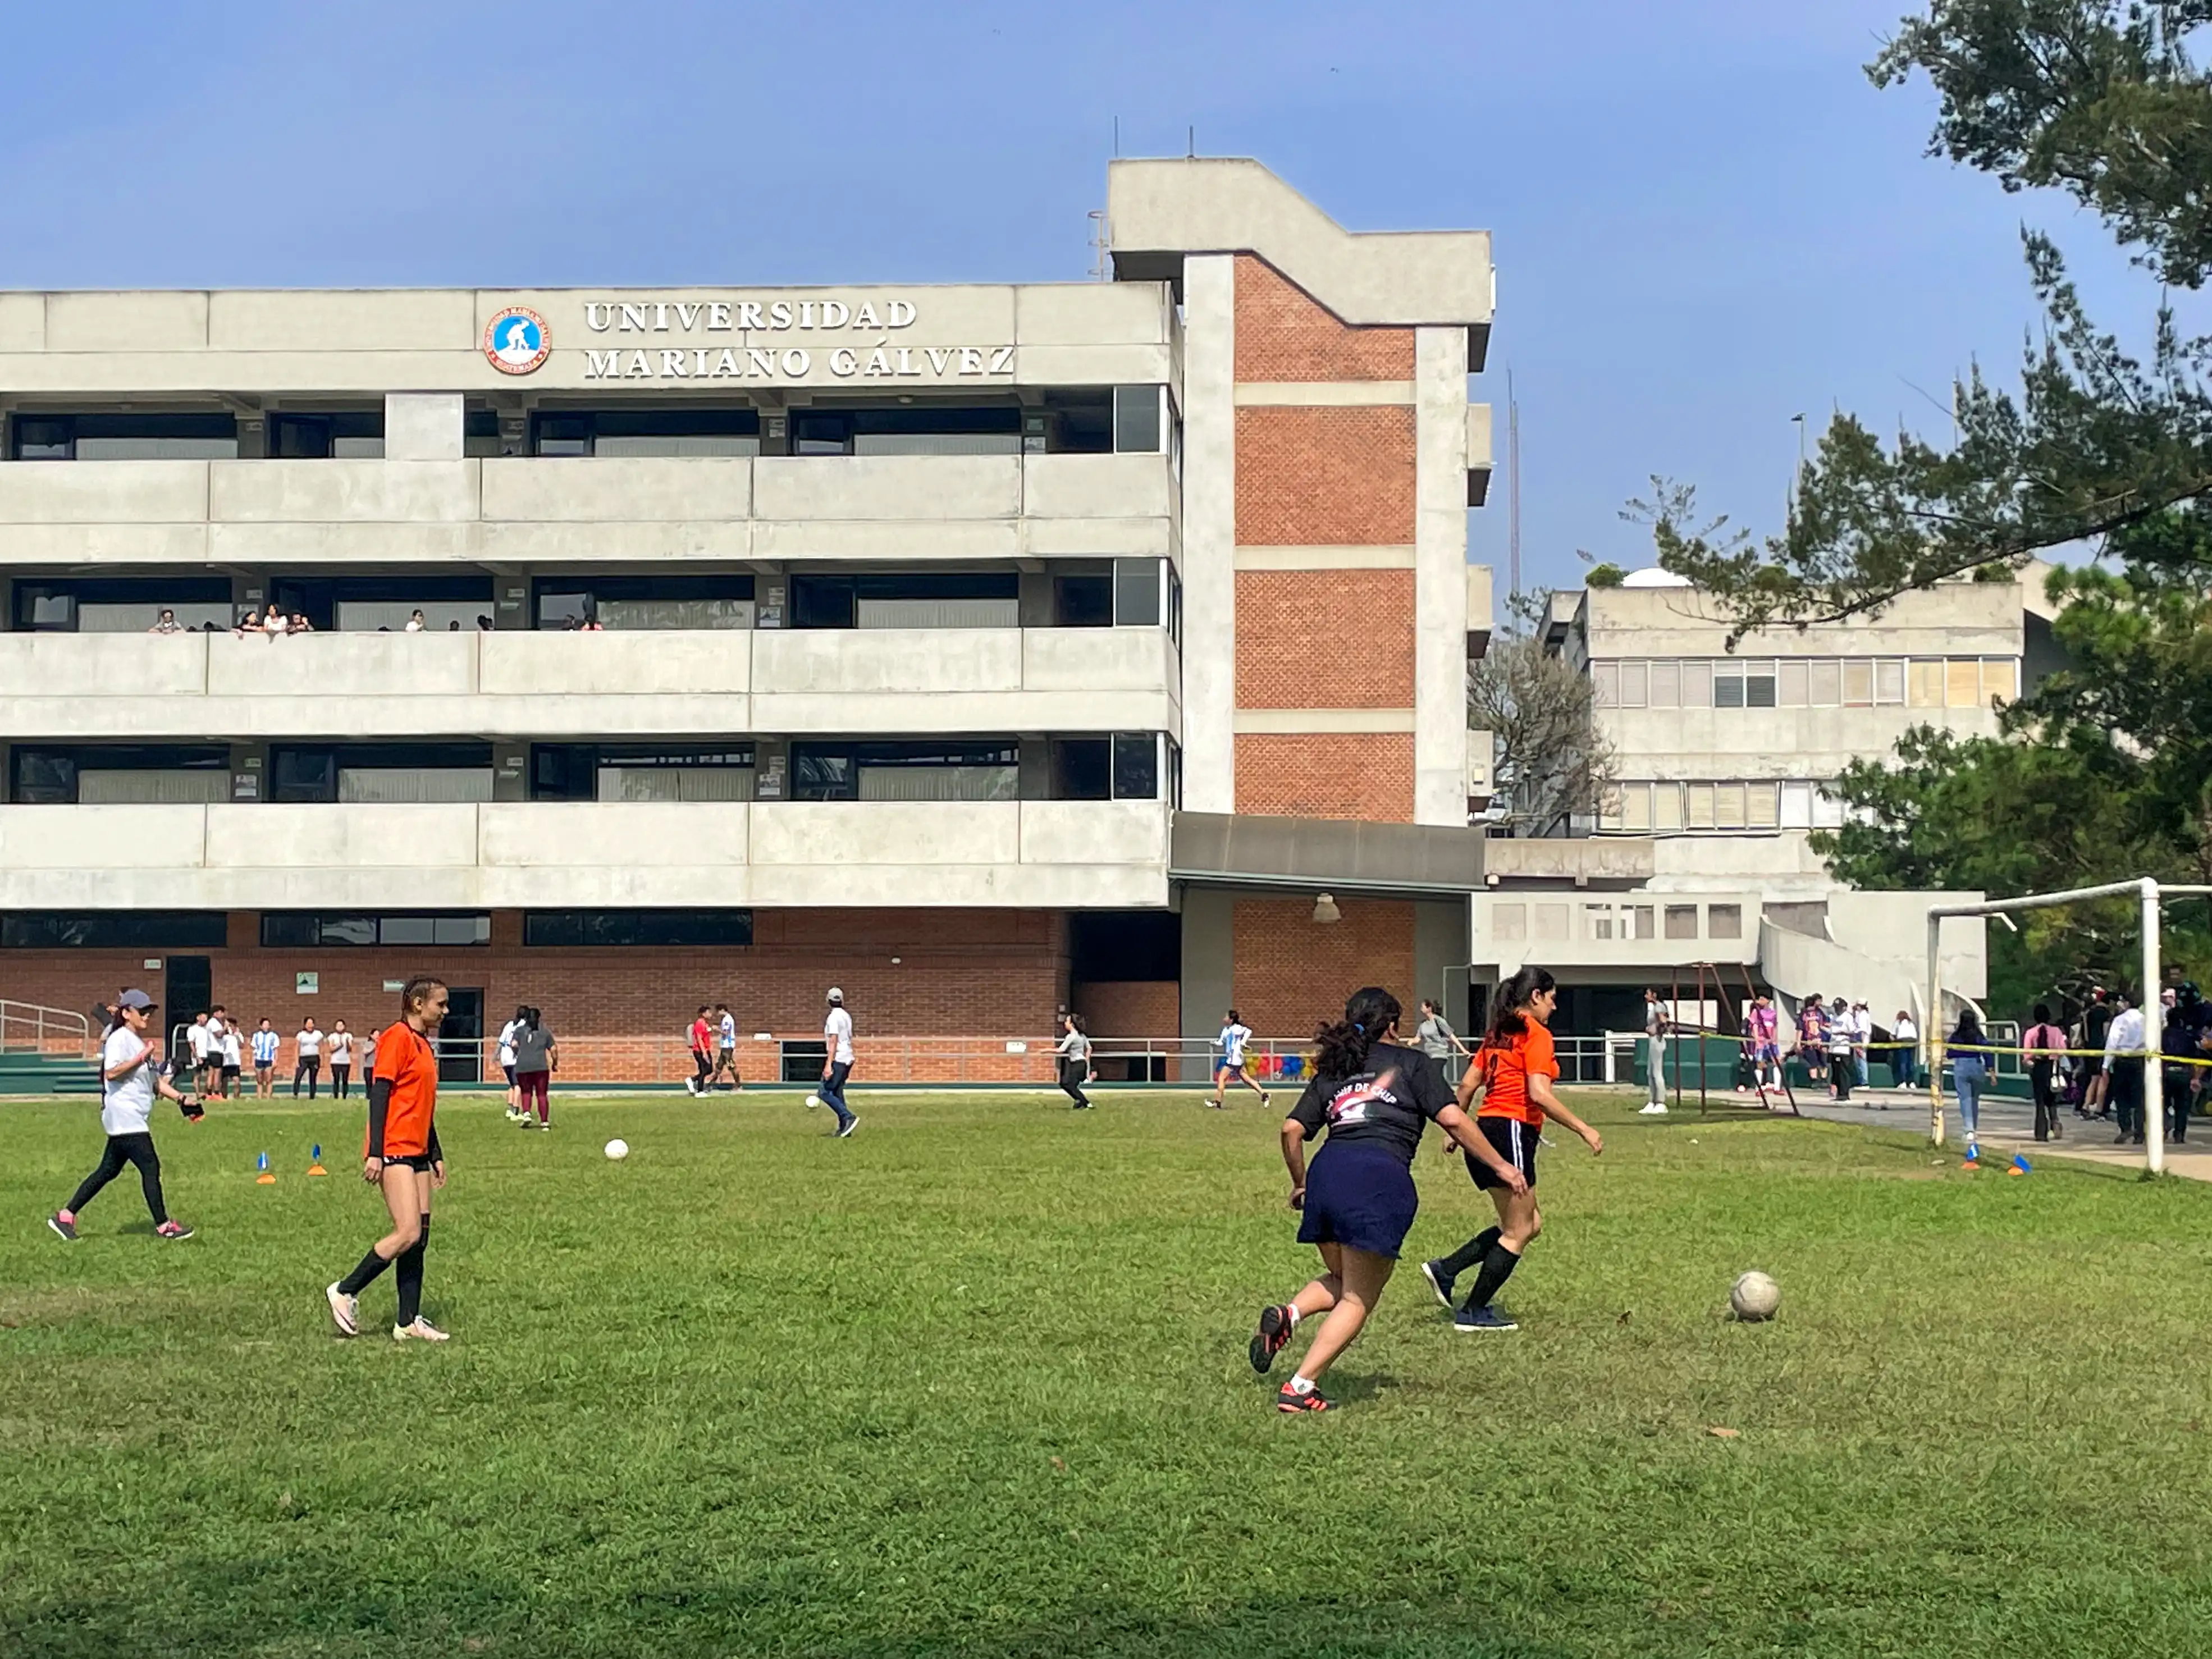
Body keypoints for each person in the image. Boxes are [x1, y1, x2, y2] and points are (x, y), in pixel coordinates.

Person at [1247, 985, 1524, 1413]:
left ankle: (1290, 1314)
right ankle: (1300, 1387)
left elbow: (1290, 1130)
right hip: (1378, 1180)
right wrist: (1502, 1166)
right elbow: (1452, 1119)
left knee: (1344, 1281)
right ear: (1393, 1025)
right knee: (1360, 1297)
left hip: (1326, 1175)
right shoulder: (1414, 1063)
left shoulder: (1336, 1067)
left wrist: (1301, 1183)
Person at [1420, 965, 1603, 1333]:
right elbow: (1538, 1094)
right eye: (1552, 999)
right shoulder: (1536, 1034)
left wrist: (1457, 1131)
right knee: (1518, 1230)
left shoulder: (1498, 1034)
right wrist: (1584, 1128)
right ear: (1536, 996)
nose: (1553, 1008)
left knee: (1528, 1224)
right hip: (1511, 1131)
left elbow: (1469, 1084)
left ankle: (1447, 1268)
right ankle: (1472, 1310)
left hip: (1485, 1132)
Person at [326, 976, 451, 1343]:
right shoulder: (396, 1038)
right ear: (417, 1004)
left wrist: (436, 1152)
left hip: (418, 1150)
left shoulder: (423, 1043)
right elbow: (379, 1093)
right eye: (440, 1004)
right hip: (394, 1146)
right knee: (407, 1231)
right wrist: (376, 1152)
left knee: (420, 1237)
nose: (445, 1011)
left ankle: (408, 1320)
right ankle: (345, 1289)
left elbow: (421, 1104)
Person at [48, 990, 199, 1242]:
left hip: (129, 1117)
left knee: (107, 1171)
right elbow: (111, 1073)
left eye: (149, 1012)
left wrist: (182, 1100)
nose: (147, 1016)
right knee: (150, 1167)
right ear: (127, 1013)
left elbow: (155, 1083)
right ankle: (164, 1226)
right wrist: (140, 1058)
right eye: (142, 1012)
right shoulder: (120, 1039)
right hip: (125, 1115)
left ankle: (65, 1216)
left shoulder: (137, 1042)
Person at [807, 987, 858, 1137]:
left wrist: (828, 1064)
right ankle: (844, 1128)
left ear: (828, 1001)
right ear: (842, 1000)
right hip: (848, 1057)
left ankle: (848, 1117)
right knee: (837, 1092)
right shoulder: (846, 1016)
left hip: (839, 1058)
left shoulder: (833, 1017)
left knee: (824, 1092)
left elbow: (833, 1040)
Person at [2104, 990, 2146, 1145]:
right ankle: (2140, 1132)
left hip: (2122, 1060)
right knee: (2139, 1098)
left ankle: (2126, 1127)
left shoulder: (2120, 1020)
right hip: (2140, 1060)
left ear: (2126, 1003)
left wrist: (2106, 1064)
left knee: (2122, 1097)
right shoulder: (2146, 1020)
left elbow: (2112, 1042)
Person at [1949, 1007, 1990, 1153]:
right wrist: (1991, 1071)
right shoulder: (1979, 1036)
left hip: (1961, 1066)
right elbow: (1987, 1052)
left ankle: (1969, 1129)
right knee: (1974, 1099)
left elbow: (1950, 1053)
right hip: (1977, 1065)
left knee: (1964, 1098)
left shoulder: (1956, 1036)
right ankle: (1974, 1127)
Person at [2024, 1004, 2066, 1143]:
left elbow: (2027, 1056)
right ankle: (2056, 1122)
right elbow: (2062, 1051)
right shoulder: (2057, 1032)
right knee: (2052, 1099)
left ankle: (2041, 1132)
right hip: (2053, 1067)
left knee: (2040, 1101)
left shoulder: (2030, 1033)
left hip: (2038, 1068)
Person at [1210, 1008, 1268, 1109]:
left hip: (1234, 1058)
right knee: (1246, 1079)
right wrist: (1214, 1043)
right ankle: (1264, 1094)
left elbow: (1248, 1031)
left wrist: (1243, 1043)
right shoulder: (1226, 1030)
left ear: (1231, 1019)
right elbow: (1221, 1042)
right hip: (1233, 1058)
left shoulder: (1236, 1028)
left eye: (1227, 1017)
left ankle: (1217, 1102)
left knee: (1222, 1078)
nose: (1224, 1019)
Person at [512, 1007, 557, 1130]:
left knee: (526, 1091)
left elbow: (514, 1044)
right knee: (542, 1094)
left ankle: (527, 1112)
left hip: (523, 1066)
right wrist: (554, 1063)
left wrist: (517, 1053)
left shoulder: (519, 1031)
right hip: (540, 1067)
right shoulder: (545, 1032)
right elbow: (553, 1049)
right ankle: (544, 1122)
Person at [1415, 998, 1471, 1082]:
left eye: (1423, 1007)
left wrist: (1464, 1050)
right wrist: (1411, 1042)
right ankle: (1443, 1092)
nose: (1421, 1009)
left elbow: (1451, 1036)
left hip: (1439, 1053)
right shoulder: (1423, 1024)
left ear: (1429, 1008)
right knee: (1431, 1077)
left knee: (1434, 1075)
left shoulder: (1439, 1021)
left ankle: (1445, 1092)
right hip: (1428, 1055)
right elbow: (1418, 1038)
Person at [2081, 989, 2113, 1118]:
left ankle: (2086, 1106)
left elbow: (2086, 1032)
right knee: (2103, 1078)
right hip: (2101, 1048)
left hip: (2089, 1047)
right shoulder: (2106, 1014)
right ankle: (2099, 1109)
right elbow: (2106, 1032)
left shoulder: (2089, 1013)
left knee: (2093, 1078)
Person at [1056, 1012, 1095, 1109]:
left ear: (1072, 1024)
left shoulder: (1071, 1036)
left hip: (1076, 1064)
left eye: (1067, 1021)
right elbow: (1089, 1048)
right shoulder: (1082, 1036)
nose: (1065, 1023)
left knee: (1068, 1084)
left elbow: (1061, 1050)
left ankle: (1087, 1103)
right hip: (1080, 1064)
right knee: (1066, 1083)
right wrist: (1086, 1059)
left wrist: (1045, 1050)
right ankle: (1079, 1101)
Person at [1640, 988, 1670, 1114]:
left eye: (1648, 994)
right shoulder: (1653, 1008)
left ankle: (1660, 1102)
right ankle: (1652, 1101)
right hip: (1652, 1040)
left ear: (1654, 995)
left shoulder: (1659, 1007)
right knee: (1650, 1072)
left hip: (1657, 1040)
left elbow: (1664, 1022)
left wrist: (1656, 1029)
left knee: (1657, 1072)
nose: (1646, 996)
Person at [1747, 994, 1783, 1095]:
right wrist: (1757, 1039)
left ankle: (1777, 1087)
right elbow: (1754, 1026)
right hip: (1761, 1042)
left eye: (1763, 999)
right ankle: (1758, 1089)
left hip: (1771, 1042)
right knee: (1760, 1064)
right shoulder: (1756, 1012)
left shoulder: (1773, 1013)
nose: (1760, 1001)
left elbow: (1775, 1026)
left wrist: (1774, 1039)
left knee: (1777, 1062)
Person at [1826, 997, 1857, 1102]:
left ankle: (1845, 1094)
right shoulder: (1834, 1017)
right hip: (1834, 1047)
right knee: (1836, 1072)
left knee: (1844, 1072)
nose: (1837, 1010)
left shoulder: (1848, 1017)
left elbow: (1853, 1032)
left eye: (1839, 1008)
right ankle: (1839, 1093)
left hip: (1843, 1047)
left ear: (1844, 1007)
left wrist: (1843, 1033)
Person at [1797, 993, 1829, 1092]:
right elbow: (1825, 1025)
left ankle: (1815, 1081)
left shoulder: (1803, 1015)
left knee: (1813, 1063)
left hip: (1809, 1042)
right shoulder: (1819, 1013)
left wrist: (1798, 1043)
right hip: (1819, 1041)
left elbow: (1800, 1030)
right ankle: (1824, 1080)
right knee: (1823, 1061)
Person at [498, 1006, 525, 1119]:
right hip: (513, 1057)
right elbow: (515, 1043)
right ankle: (516, 1111)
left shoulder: (509, 1024)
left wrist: (495, 1056)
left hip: (504, 1057)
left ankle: (510, 1110)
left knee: (512, 1084)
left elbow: (500, 1041)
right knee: (519, 1084)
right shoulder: (524, 1025)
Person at [685, 1004, 715, 1097]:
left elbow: (705, 1031)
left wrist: (712, 1029)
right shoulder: (699, 1023)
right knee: (704, 1069)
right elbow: (699, 1038)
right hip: (700, 1050)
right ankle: (700, 1091)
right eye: (709, 1012)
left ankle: (692, 1080)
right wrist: (704, 1052)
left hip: (705, 1049)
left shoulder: (705, 1023)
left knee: (709, 1070)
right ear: (703, 1014)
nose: (711, 1014)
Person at [712, 1002, 742, 1090]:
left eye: (718, 1012)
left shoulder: (727, 1019)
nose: (717, 1014)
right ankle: (712, 1082)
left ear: (722, 1010)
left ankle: (738, 1083)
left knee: (731, 1065)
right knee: (719, 1065)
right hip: (725, 1045)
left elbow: (726, 1033)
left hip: (727, 1046)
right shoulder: (727, 1019)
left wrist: (716, 1029)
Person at [293, 1016, 323, 1099]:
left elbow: (321, 1047)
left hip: (314, 1058)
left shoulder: (318, 1034)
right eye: (308, 1024)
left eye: (312, 1024)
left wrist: (322, 1059)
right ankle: (295, 1094)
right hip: (303, 1058)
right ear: (305, 1025)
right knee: (298, 1077)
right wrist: (296, 1060)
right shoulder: (301, 1035)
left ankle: (312, 1096)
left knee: (313, 1078)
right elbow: (297, 1048)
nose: (310, 1026)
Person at [250, 1017, 280, 1098]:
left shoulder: (274, 1036)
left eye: (268, 1025)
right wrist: (253, 1061)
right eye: (264, 1025)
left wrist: (276, 1060)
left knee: (269, 1079)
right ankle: (259, 1096)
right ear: (261, 1026)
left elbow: (276, 1049)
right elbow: (254, 1050)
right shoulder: (256, 1036)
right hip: (259, 1059)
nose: (266, 1026)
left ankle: (268, 1097)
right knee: (259, 1080)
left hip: (269, 1060)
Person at [185, 1011, 213, 1094]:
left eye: (206, 1018)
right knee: (198, 1075)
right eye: (203, 1018)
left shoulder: (209, 1029)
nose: (205, 1020)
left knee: (208, 1074)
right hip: (198, 1055)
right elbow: (191, 1043)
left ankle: (206, 1093)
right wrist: (197, 1056)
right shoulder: (192, 1029)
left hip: (208, 1054)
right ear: (198, 1018)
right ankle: (198, 1094)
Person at [1891, 1009, 1919, 1089]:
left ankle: (1903, 1082)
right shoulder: (1911, 1023)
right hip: (1913, 1041)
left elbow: (1892, 1035)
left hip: (1903, 1041)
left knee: (1903, 1062)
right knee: (1911, 1062)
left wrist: (1893, 1042)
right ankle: (1911, 1082)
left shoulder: (1898, 1022)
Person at [328, 1020, 355, 1100]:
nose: (340, 1027)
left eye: (341, 1025)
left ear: (344, 1026)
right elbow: (331, 1049)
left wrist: (346, 1043)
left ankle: (344, 1096)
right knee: (336, 1079)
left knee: (345, 1080)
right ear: (335, 1027)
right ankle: (336, 1096)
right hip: (335, 1061)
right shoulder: (332, 1036)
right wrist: (339, 1046)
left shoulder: (348, 1036)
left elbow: (350, 1049)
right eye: (338, 1025)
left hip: (346, 1061)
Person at [218, 1015, 244, 1099]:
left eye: (232, 1026)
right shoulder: (223, 1036)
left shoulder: (238, 1035)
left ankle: (236, 1097)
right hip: (225, 1062)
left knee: (236, 1081)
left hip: (235, 1062)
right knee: (224, 1082)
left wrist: (236, 1035)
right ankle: (224, 1097)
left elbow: (242, 1045)